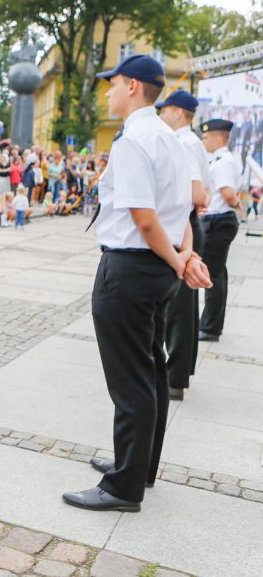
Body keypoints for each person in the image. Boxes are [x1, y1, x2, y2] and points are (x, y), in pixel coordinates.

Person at [62, 54, 211, 513]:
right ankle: (138, 466)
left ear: (131, 86)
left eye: (112, 84)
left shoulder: (133, 141)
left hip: (129, 268)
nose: (107, 93)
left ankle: (123, 488)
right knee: (149, 370)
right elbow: (184, 211)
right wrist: (182, 258)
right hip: (158, 271)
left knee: (130, 382)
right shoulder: (170, 138)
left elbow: (145, 220)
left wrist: (177, 258)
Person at [156, 90, 212, 399]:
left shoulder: (184, 142)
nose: (161, 114)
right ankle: (179, 373)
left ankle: (174, 376)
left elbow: (198, 195)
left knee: (177, 308)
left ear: (178, 112)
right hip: (187, 224)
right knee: (184, 307)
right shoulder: (192, 142)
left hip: (182, 226)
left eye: (165, 110)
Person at [198, 118, 242, 343]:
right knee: (217, 273)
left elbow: (228, 194)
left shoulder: (223, 162)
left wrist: (236, 204)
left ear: (217, 138)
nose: (204, 140)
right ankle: (212, 324)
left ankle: (209, 327)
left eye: (206, 137)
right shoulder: (222, 159)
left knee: (212, 275)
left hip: (217, 221)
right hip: (219, 220)